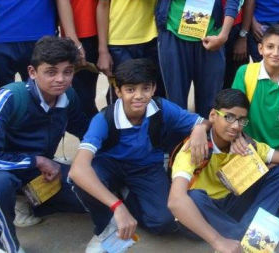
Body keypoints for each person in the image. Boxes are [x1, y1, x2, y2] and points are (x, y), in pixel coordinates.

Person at [69, 58, 209, 253]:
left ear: (153, 89)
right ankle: (104, 227)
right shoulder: (104, 119)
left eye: (145, 88)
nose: (139, 96)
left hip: (146, 168)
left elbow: (203, 122)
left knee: (164, 222)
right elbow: (77, 169)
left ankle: (127, 194)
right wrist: (116, 206)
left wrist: (199, 129)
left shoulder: (161, 108)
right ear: (118, 91)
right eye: (130, 89)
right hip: (110, 166)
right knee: (83, 181)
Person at [0, 37, 90, 253]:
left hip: (38, 173)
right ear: (32, 72)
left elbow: (85, 131)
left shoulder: (68, 96)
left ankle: (24, 200)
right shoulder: (9, 98)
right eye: (51, 72)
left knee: (90, 193)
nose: (60, 79)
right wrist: (37, 161)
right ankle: (6, 246)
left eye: (67, 72)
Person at [168, 88, 279, 252]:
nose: (235, 126)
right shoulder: (195, 148)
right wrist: (218, 241)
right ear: (213, 115)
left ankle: (247, 234)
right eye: (229, 117)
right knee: (193, 196)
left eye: (241, 120)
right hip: (203, 214)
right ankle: (249, 238)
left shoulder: (243, 143)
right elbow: (175, 201)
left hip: (231, 203)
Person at [232, 23, 279, 151]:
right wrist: (238, 140)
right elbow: (234, 113)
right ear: (260, 48)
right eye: (270, 47)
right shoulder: (245, 72)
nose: (275, 53)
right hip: (246, 146)